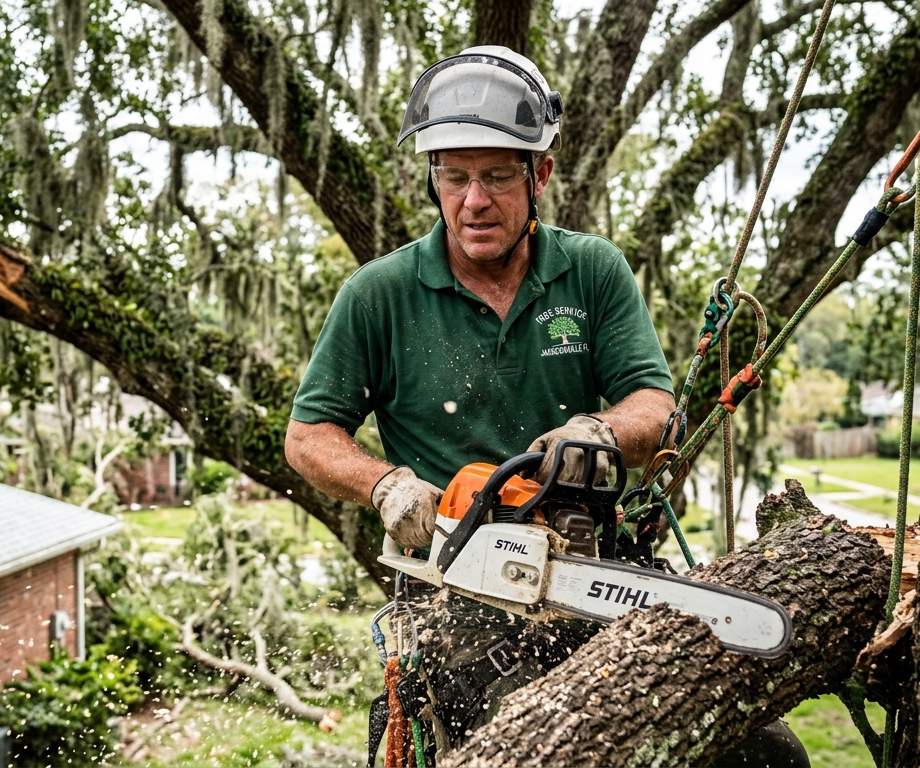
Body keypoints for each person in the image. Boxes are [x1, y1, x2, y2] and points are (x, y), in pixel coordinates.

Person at [284, 46, 806, 765]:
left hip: (590, 573)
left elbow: (656, 406)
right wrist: (386, 484)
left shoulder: (591, 270)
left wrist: (599, 430)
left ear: (541, 174)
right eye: (455, 176)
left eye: (498, 176)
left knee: (768, 755)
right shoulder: (380, 293)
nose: (474, 200)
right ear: (433, 178)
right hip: (457, 605)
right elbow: (308, 435)